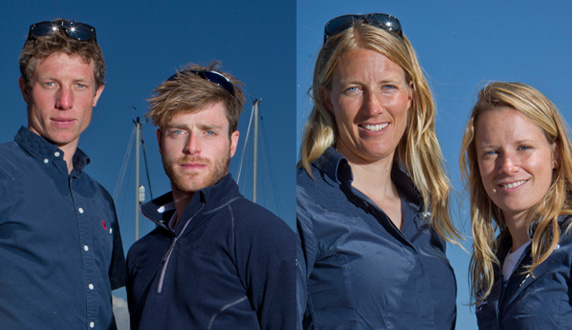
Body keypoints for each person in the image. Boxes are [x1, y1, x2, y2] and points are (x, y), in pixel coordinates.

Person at [297, 13, 460, 329]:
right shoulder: (303, 203)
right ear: (327, 99)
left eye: (388, 86)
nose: (373, 107)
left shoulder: (424, 212)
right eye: (354, 89)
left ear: (409, 94)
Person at [126, 63, 296, 329]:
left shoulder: (265, 237)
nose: (192, 148)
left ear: (233, 143)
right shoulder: (140, 254)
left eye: (209, 132)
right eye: (179, 131)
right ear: (159, 141)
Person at [0, 19, 126, 329]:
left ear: (96, 93)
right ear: (25, 88)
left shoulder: (102, 201)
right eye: (50, 83)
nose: (65, 102)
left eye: (79, 85)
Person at [460, 82, 572, 328]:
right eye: (491, 153)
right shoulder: (491, 269)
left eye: (524, 147)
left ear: (555, 154)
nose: (507, 166)